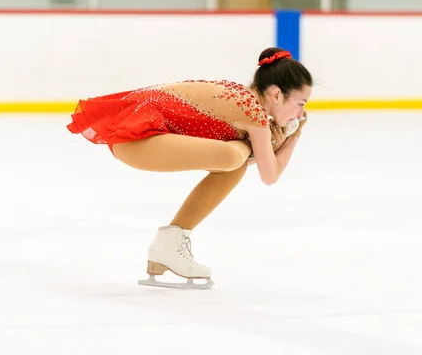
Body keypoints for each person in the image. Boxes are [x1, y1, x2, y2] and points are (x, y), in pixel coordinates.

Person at [66, 47, 313, 289]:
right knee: (232, 156)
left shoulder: (244, 97)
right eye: (300, 103)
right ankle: (168, 245)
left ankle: (169, 244)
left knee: (235, 163)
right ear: (276, 95)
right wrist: (294, 136)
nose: (301, 114)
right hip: (137, 138)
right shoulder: (254, 114)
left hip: (137, 135)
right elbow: (270, 176)